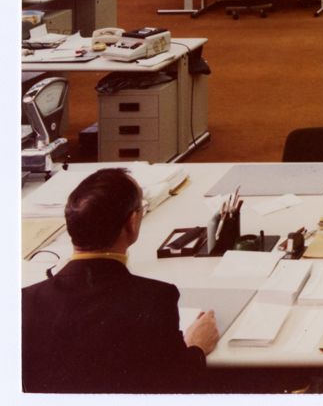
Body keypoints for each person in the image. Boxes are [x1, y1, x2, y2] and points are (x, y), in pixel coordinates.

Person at [22, 168, 219, 393]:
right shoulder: (155, 299)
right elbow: (176, 384)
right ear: (132, 222)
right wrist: (196, 347)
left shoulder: (23, 301)